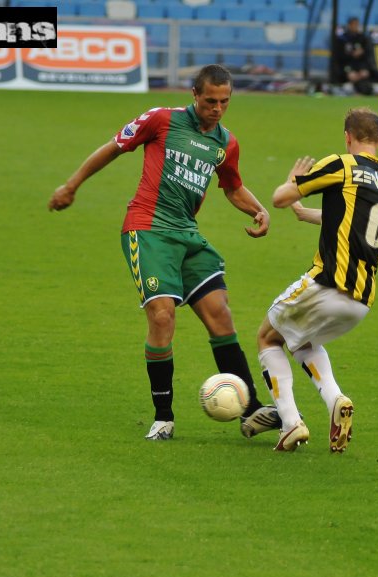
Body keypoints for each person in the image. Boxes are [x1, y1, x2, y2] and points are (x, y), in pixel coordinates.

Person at [48, 64, 281, 441]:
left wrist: (258, 209)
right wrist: (71, 185)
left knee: (220, 315)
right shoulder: (160, 120)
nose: (217, 108)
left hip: (187, 235)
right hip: (147, 229)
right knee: (162, 316)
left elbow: (233, 187)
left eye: (224, 102)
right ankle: (163, 417)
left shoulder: (225, 142)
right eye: (210, 101)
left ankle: (251, 411)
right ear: (194, 94)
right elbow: (113, 148)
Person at [257, 107, 378, 453]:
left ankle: (290, 423)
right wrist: (307, 215)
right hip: (361, 300)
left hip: (327, 283)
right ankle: (335, 398)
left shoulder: (341, 164)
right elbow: (352, 220)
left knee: (267, 338)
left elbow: (279, 198)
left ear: (347, 137)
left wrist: (293, 182)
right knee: (302, 341)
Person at [334, 16, 374, 95]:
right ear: (349, 25)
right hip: (347, 67)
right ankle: (352, 90)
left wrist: (364, 68)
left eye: (357, 24)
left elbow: (367, 55)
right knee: (352, 75)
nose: (355, 26)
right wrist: (352, 55)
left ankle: (363, 90)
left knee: (364, 74)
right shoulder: (342, 39)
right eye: (354, 24)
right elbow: (339, 57)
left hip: (359, 67)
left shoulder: (362, 38)